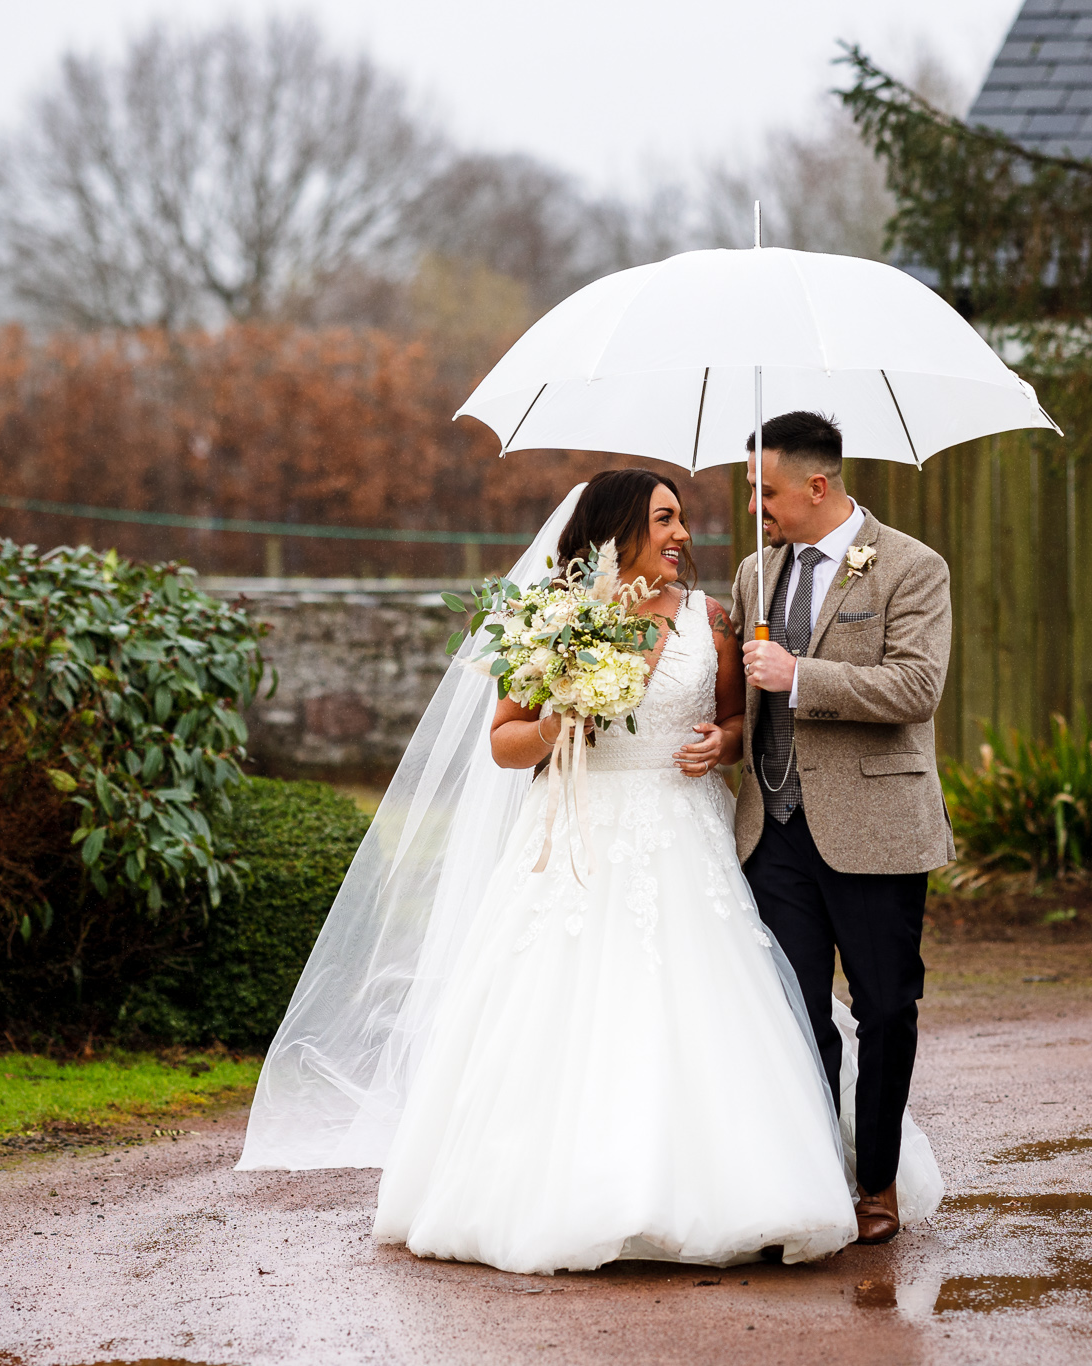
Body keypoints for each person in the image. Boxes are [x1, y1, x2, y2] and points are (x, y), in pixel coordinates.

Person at [236, 468, 940, 1276]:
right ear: (615, 532)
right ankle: (564, 1191)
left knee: (715, 1011)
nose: (682, 536)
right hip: (575, 841)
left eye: (683, 520)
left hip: (686, 838)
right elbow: (505, 740)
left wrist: (724, 744)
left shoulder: (711, 619)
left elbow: (742, 717)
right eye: (665, 520)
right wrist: (559, 727)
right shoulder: (549, 623)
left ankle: (752, 1189)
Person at [735, 411, 956, 1246]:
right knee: (795, 1014)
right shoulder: (757, 575)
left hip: (874, 828)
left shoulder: (910, 567)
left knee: (886, 1009)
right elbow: (742, 701)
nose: (756, 504)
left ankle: (878, 1184)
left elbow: (916, 689)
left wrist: (802, 677)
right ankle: (813, 1177)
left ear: (816, 487)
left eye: (766, 489)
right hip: (774, 830)